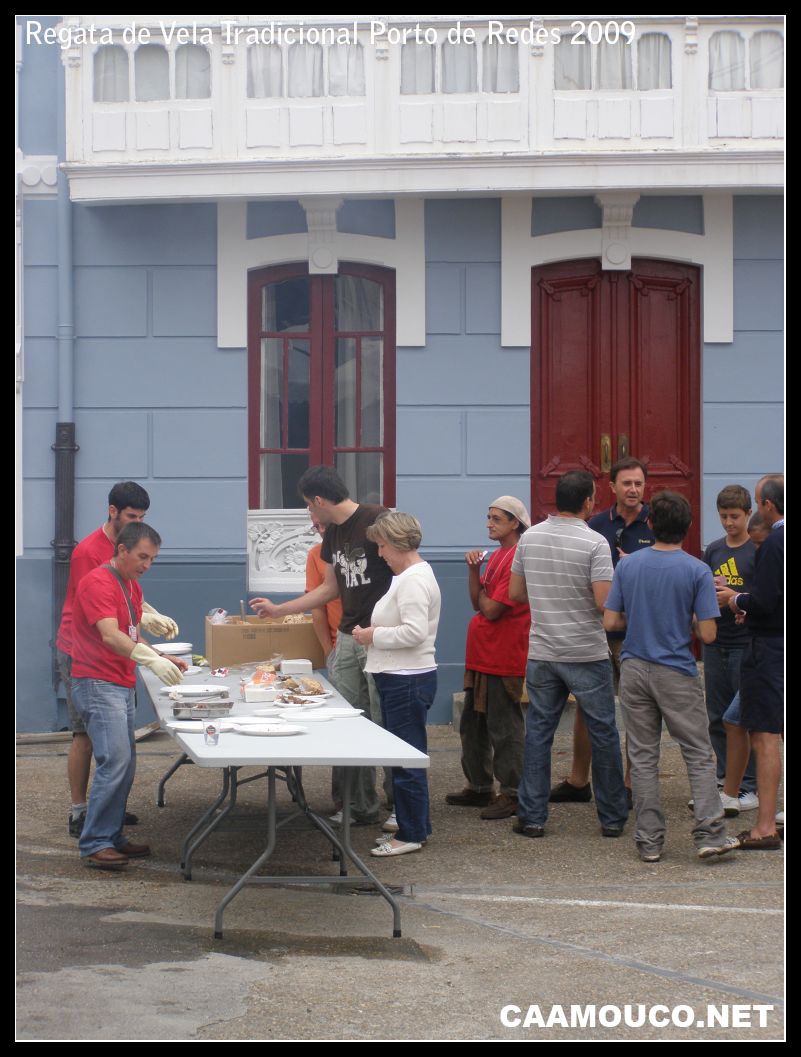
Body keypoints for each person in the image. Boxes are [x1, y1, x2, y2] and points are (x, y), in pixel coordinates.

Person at [250, 465, 393, 827]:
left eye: (308, 506)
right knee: (349, 720)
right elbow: (329, 589)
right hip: (347, 636)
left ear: (319, 500)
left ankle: (402, 807)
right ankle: (359, 806)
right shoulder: (333, 535)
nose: (309, 514)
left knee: (387, 721)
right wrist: (279, 610)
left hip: (380, 637)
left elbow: (406, 572)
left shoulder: (377, 519)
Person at [604, 491, 739, 862]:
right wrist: (687, 617)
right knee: (698, 753)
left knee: (643, 756)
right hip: (676, 670)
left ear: (650, 524)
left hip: (634, 667)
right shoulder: (697, 570)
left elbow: (611, 621)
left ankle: (649, 842)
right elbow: (708, 634)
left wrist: (642, 615)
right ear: (689, 527)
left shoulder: (628, 566)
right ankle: (710, 834)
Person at [56, 481, 180, 838]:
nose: (137, 522)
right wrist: (149, 655)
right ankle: (81, 812)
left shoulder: (131, 556)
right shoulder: (89, 552)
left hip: (116, 653)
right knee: (86, 737)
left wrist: (147, 616)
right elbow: (100, 607)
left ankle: (107, 816)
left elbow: (124, 596)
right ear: (113, 512)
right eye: (131, 516)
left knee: (119, 750)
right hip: (82, 650)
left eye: (142, 517)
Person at [509, 470, 628, 840]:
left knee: (538, 733)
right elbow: (603, 602)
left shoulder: (530, 537)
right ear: (588, 502)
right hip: (586, 651)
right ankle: (612, 817)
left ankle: (532, 817)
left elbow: (515, 593)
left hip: (543, 649)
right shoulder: (595, 543)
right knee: (603, 733)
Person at [550, 457, 654, 806]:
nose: (633, 490)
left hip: (636, 634)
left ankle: (630, 783)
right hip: (594, 632)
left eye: (638, 483)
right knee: (587, 707)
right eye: (627, 483)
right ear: (612, 487)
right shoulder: (594, 525)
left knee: (637, 709)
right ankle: (579, 780)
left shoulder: (656, 523)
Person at [350, 512, 441, 856]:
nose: (380, 553)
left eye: (382, 546)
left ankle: (411, 833)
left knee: (406, 759)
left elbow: (415, 633)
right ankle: (413, 826)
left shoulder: (413, 580)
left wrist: (373, 635)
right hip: (402, 677)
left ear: (397, 543)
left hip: (406, 679)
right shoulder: (410, 576)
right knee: (405, 757)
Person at [445, 497, 531, 820]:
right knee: (474, 724)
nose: (489, 524)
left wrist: (483, 597)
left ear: (514, 523)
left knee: (504, 727)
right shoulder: (496, 556)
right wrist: (473, 571)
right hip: (482, 654)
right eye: (489, 517)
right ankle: (480, 786)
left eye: (496, 519)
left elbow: (492, 609)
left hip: (503, 654)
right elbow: (476, 602)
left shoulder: (518, 558)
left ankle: (513, 792)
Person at [717, 474, 784, 851]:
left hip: (770, 649)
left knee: (765, 735)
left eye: (759, 503)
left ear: (768, 506)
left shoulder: (776, 542)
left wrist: (737, 601)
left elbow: (765, 599)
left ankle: (764, 827)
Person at [701, 484, 758, 813]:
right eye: (723, 516)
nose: (728, 523)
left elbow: (761, 595)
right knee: (717, 716)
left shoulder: (757, 551)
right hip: (716, 642)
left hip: (744, 643)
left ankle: (748, 785)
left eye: (735, 516)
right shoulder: (713, 550)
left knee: (743, 718)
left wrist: (734, 597)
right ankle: (725, 778)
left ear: (749, 513)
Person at [305, 514, 343, 663]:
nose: (321, 530)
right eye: (316, 526)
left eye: (325, 525)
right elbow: (317, 606)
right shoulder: (315, 554)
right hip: (338, 645)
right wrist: (328, 649)